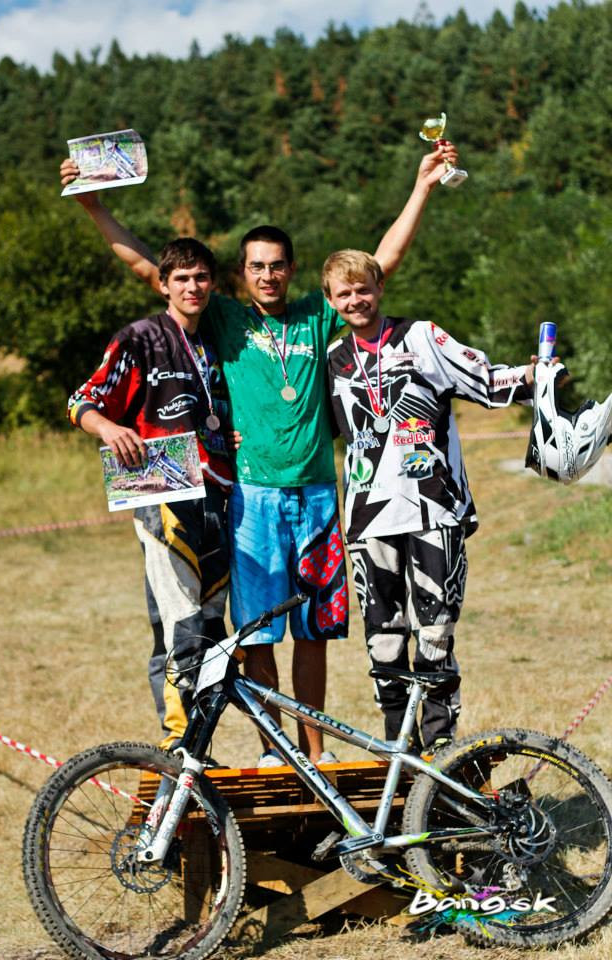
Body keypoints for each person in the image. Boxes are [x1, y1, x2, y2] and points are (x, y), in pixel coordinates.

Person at [60, 141, 460, 764]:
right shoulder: (225, 318)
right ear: (242, 274)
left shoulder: (316, 316)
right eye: (256, 266)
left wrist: (423, 187)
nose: (267, 275)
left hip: (319, 495)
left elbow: (380, 263)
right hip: (253, 499)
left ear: (291, 270)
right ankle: (277, 751)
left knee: (315, 630)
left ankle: (313, 750)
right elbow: (147, 266)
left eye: (276, 265)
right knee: (256, 633)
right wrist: (93, 207)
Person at [322, 249, 535, 752]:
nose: (356, 300)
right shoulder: (333, 358)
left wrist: (534, 377)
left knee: (435, 635)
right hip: (368, 518)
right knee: (383, 639)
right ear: (331, 301)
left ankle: (441, 748)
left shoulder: (421, 336)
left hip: (433, 508)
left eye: (363, 288)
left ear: (380, 288)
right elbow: (315, 429)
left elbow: (485, 381)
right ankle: (398, 747)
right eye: (344, 293)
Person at [68, 238, 233, 749]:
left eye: (201, 277)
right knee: (181, 623)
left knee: (212, 629)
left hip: (220, 497)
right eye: (181, 278)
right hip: (163, 491)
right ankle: (177, 749)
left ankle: (200, 749)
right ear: (163, 285)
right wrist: (107, 428)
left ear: (212, 283)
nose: (192, 286)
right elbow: (83, 399)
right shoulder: (141, 337)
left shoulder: (216, 341)